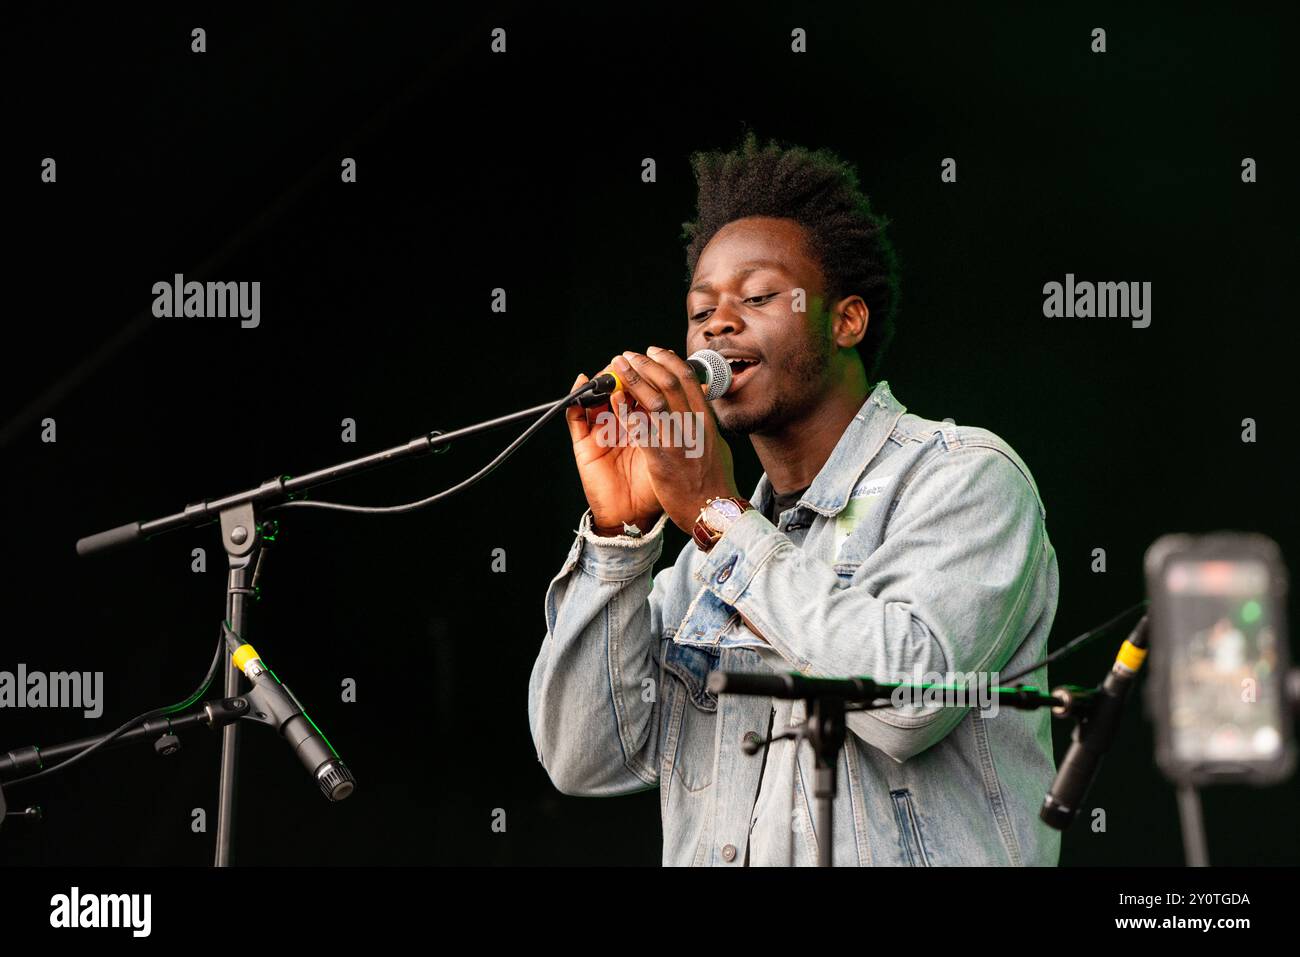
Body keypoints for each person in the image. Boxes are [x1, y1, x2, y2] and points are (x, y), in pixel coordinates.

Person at [527, 132, 1060, 866]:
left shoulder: (965, 477)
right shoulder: (705, 560)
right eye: (701, 307)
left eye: (757, 296)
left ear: (845, 318)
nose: (717, 322)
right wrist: (621, 541)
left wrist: (716, 516)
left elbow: (910, 702)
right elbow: (582, 755)